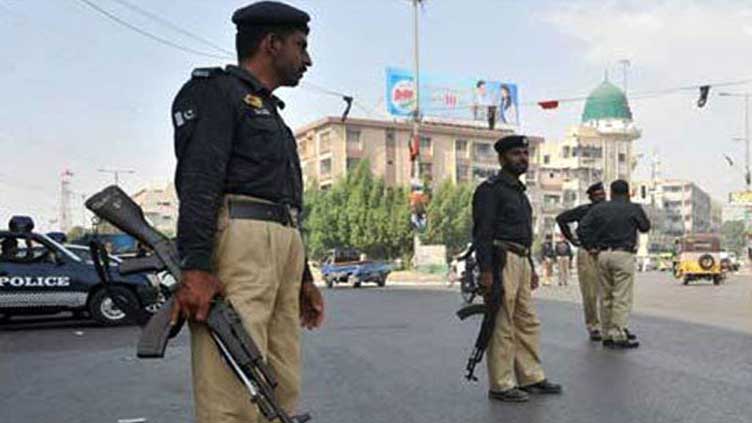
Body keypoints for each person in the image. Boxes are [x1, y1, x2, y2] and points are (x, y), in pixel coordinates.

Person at [169, 2, 325, 422]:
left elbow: (287, 203)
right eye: (300, 46)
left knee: (282, 373)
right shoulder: (216, 92)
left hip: (282, 242)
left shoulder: (272, 114)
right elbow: (199, 181)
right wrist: (196, 266)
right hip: (240, 238)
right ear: (271, 45)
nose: (307, 59)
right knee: (231, 378)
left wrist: (304, 277)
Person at [472, 135, 562, 403]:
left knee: (527, 321)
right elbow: (482, 233)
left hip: (521, 260)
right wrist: (486, 270)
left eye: (525, 153)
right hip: (501, 259)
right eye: (516, 154)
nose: (522, 158)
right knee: (502, 322)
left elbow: (524, 235)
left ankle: (531, 377)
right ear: (502, 158)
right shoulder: (490, 190)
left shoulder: (519, 193)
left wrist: (531, 266)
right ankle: (501, 384)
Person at [578, 180, 650, 350]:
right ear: (628, 193)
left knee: (606, 296)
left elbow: (582, 228)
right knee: (621, 296)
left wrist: (590, 246)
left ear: (610, 193)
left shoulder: (599, 209)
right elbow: (645, 227)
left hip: (602, 255)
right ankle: (618, 333)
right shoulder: (633, 208)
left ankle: (606, 333)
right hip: (623, 254)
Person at [555, 182, 607, 340]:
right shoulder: (584, 210)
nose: (601, 198)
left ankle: (612, 326)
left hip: (607, 253)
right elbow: (561, 219)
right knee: (590, 293)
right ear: (591, 197)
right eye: (597, 195)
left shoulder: (610, 210)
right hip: (588, 253)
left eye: (602, 194)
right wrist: (571, 239)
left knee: (609, 293)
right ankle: (593, 326)